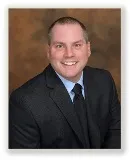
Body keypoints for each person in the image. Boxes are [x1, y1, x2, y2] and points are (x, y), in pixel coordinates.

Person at [9, 16, 121, 149]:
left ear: (88, 48)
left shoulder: (104, 80)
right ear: (49, 51)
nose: (69, 54)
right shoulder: (24, 102)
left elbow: (117, 134)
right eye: (60, 46)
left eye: (77, 45)